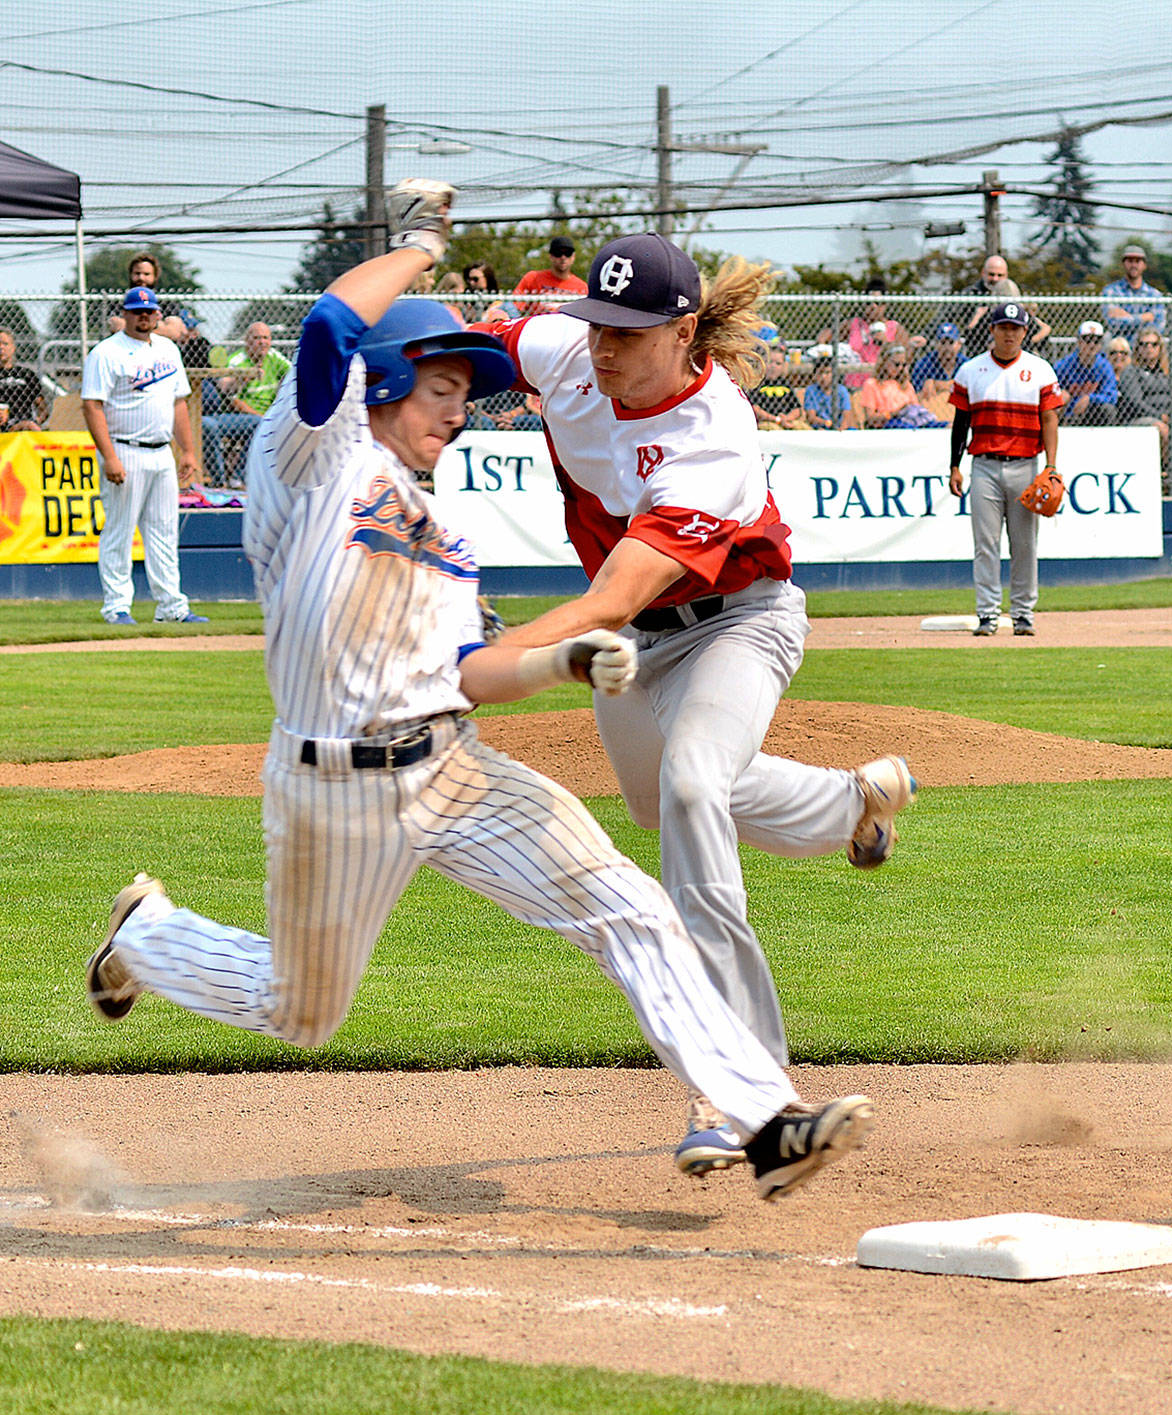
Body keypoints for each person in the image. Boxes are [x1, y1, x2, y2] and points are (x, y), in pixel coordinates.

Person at [85, 190, 875, 1202]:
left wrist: (564, 662)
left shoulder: (446, 541)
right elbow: (330, 322)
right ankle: (146, 936)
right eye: (441, 385)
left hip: (450, 771)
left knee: (630, 907)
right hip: (332, 791)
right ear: (379, 382)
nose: (462, 408)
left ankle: (766, 1122)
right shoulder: (311, 454)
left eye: (469, 388)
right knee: (302, 1009)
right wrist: (419, 248)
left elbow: (470, 677)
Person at [476, 231, 919, 1173]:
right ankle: (850, 805)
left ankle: (746, 1090)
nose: (604, 346)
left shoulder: (711, 436)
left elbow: (605, 603)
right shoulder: (567, 349)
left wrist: (473, 667)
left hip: (736, 625)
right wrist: (360, 340)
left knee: (688, 790)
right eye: (598, 322)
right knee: (657, 803)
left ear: (684, 335)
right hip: (637, 651)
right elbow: (459, 345)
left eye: (630, 333)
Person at [81, 287, 206, 626]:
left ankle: (172, 607)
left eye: (149, 311)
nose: (144, 316)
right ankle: (117, 607)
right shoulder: (106, 353)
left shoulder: (168, 349)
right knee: (120, 532)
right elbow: (92, 405)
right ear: (125, 314)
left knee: (165, 532)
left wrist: (189, 451)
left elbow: (179, 402)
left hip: (161, 451)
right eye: (137, 311)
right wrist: (110, 457)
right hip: (124, 449)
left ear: (158, 315)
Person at [947, 300, 1063, 636]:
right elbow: (961, 421)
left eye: (1015, 328)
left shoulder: (1040, 369)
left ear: (1025, 331)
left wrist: (1051, 465)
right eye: (1003, 327)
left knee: (1024, 542)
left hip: (1026, 464)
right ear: (992, 330)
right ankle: (987, 614)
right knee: (985, 543)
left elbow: (1049, 418)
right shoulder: (971, 370)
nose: (1009, 333)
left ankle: (1023, 613)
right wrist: (954, 465)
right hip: (984, 464)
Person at [204, 322, 291, 485]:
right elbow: (230, 397)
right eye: (256, 338)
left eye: (266, 338)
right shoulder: (237, 360)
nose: (262, 342)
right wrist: (240, 380)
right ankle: (236, 478)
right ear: (247, 341)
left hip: (270, 414)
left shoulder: (274, 357)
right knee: (259, 424)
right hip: (241, 416)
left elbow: (294, 374)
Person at [1116, 329, 1172, 490]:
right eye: (1144, 344)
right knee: (1162, 430)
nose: (1149, 348)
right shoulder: (1131, 372)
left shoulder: (1168, 371)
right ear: (1137, 348)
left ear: (1160, 348)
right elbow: (1135, 402)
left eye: (1153, 344)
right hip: (1141, 419)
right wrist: (1161, 416)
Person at [852, 345, 940, 428]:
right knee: (911, 429)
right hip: (888, 423)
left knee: (944, 426)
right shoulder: (872, 384)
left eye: (904, 365)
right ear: (885, 362)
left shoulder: (906, 385)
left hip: (909, 420)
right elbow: (870, 418)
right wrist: (893, 413)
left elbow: (914, 408)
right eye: (897, 364)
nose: (900, 368)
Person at [1052, 320, 1118, 426]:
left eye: (1096, 341)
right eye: (1087, 340)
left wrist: (1090, 398)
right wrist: (1059, 395)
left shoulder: (1104, 366)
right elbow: (1048, 391)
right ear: (1079, 342)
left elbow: (1112, 396)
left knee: (1108, 409)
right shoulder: (1064, 365)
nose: (1092, 344)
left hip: (1091, 414)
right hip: (1068, 414)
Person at [1101, 246, 1168, 343]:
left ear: (1144, 265)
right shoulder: (1111, 291)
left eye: (1137, 261)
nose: (1134, 265)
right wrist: (1144, 318)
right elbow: (1113, 324)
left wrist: (1126, 317)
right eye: (1130, 261)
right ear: (1123, 264)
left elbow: (1159, 326)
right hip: (1119, 350)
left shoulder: (1154, 295)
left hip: (1145, 348)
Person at [511, 236, 587, 315]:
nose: (563, 257)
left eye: (568, 253)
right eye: (558, 253)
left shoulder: (582, 288)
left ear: (573, 257)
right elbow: (514, 307)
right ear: (551, 256)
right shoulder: (533, 278)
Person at [909, 321, 965, 420]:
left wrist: (937, 384)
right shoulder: (924, 364)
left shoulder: (965, 364)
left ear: (959, 345)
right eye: (943, 343)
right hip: (933, 414)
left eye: (951, 343)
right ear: (936, 344)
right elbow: (916, 396)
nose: (946, 348)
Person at [749, 339, 807, 430]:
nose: (773, 366)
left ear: (784, 365)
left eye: (778, 363)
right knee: (775, 429)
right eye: (770, 362)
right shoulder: (757, 383)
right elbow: (755, 409)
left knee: (802, 428)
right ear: (763, 363)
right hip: (767, 422)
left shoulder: (785, 383)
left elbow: (797, 409)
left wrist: (787, 419)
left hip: (786, 420)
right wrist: (776, 419)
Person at [0, 329, 49, 431]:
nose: (1, 347)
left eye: (5, 344)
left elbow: (42, 408)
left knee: (30, 426)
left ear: (13, 348)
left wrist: (36, 421)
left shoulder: (26, 374)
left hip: (25, 426)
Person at [801, 346, 855, 429]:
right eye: (820, 373)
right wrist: (826, 423)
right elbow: (811, 418)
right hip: (821, 427)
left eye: (827, 373)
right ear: (815, 375)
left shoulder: (841, 390)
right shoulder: (811, 391)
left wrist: (841, 429)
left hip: (840, 427)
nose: (823, 377)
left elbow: (846, 416)